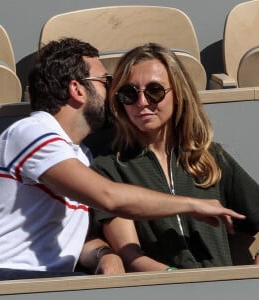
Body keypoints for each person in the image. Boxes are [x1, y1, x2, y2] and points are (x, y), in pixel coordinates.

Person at [0, 38, 244, 283]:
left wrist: (104, 255)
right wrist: (193, 203)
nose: (114, 93)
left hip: (42, 281)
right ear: (77, 89)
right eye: (106, 81)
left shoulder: (82, 156)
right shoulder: (33, 131)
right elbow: (109, 197)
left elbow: (68, 238)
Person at [90, 43, 259, 271]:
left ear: (178, 93)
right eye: (129, 94)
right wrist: (180, 282)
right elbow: (130, 254)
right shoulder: (109, 167)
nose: (142, 103)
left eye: (155, 91)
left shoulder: (210, 157)